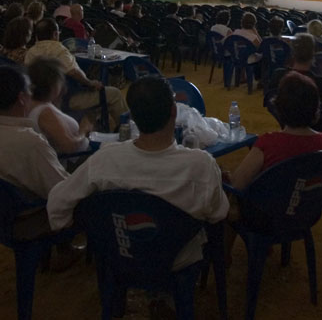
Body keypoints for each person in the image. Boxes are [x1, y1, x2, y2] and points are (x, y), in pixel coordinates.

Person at [47, 76, 229, 270]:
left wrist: (90, 226)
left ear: (132, 117)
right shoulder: (201, 165)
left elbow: (57, 203)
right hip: (178, 260)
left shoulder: (104, 160)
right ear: (174, 112)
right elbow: (218, 213)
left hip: (119, 255)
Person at [0, 65, 70, 201]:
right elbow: (65, 193)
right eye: (30, 90)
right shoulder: (31, 144)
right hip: (32, 212)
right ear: (22, 98)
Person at [230, 73, 322, 189]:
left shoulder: (267, 144)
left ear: (279, 108)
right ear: (315, 109)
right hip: (310, 205)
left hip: (270, 205)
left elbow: (237, 184)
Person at [24, 18, 127, 126]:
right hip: (66, 99)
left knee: (100, 103)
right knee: (114, 94)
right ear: (55, 34)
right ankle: (128, 131)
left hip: (40, 99)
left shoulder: (30, 52)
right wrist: (90, 82)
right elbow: (73, 72)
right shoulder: (60, 50)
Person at [27, 58, 92, 155]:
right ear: (53, 84)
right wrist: (84, 130)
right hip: (77, 160)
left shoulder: (31, 102)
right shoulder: (45, 112)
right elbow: (69, 147)